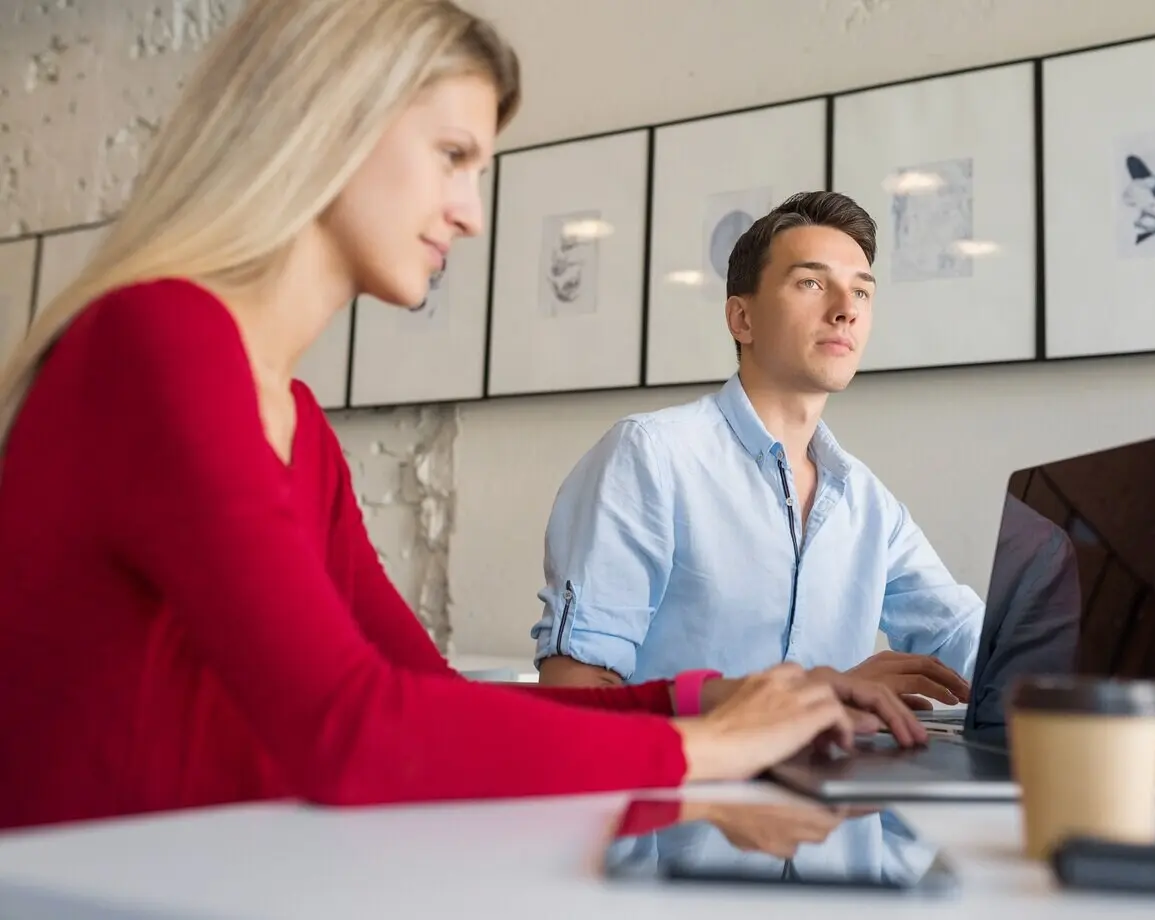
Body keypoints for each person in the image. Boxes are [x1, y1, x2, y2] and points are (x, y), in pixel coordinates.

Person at [0, 0, 928, 832]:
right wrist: (711, 750)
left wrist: (704, 700)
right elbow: (353, 732)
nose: (470, 214)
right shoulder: (158, 338)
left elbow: (424, 700)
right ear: (328, 124)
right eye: (452, 158)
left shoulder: (290, 419)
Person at [531, 190, 983, 705]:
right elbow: (577, 698)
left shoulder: (869, 506)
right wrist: (812, 697)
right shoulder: (651, 458)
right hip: (684, 778)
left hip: (835, 781)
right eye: (811, 283)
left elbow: (968, 641)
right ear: (741, 319)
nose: (845, 311)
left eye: (861, 292)